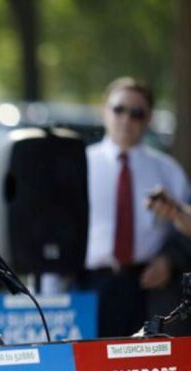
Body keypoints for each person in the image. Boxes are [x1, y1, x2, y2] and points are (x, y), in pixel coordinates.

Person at [81, 77, 189, 337]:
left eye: (137, 113)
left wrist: (169, 261)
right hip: (89, 285)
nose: (126, 120)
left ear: (149, 118)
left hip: (147, 287)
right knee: (89, 369)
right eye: (119, 109)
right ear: (105, 110)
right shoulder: (80, 164)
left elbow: (184, 232)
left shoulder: (167, 170)